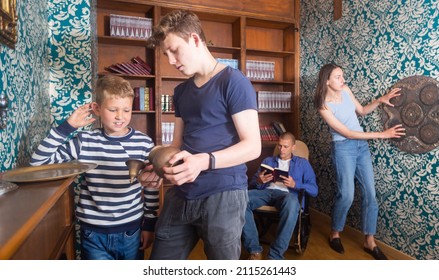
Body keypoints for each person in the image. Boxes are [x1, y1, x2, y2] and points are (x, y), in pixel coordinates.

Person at [142, 9, 261, 260]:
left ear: (195, 39)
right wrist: (158, 163)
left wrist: (203, 161)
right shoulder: (180, 91)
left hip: (224, 194)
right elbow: (176, 145)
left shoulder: (234, 81)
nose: (171, 60)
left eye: (174, 50)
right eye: (166, 54)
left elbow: (253, 147)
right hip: (181, 192)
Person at [30, 75, 161, 260]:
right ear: (97, 109)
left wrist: (149, 224)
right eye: (113, 109)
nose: (120, 117)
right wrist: (67, 127)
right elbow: (38, 163)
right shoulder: (84, 141)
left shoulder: (144, 143)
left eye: (126, 110)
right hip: (93, 233)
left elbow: (151, 186)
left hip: (131, 230)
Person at [313, 63, 406, 260]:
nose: (343, 80)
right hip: (343, 148)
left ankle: (369, 241)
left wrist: (380, 100)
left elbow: (362, 111)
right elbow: (346, 132)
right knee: (346, 195)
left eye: (342, 76)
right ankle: (335, 233)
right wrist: (382, 134)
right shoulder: (323, 105)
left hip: (361, 147)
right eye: (338, 77)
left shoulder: (346, 90)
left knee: (370, 194)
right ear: (327, 81)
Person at [242, 132, 318, 260]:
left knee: (292, 203)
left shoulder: (302, 163)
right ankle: (254, 250)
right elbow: (253, 182)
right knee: (241, 200)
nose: (281, 150)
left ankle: (275, 255)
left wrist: (295, 184)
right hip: (266, 192)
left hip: (287, 195)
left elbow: (314, 190)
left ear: (293, 147)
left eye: (285, 146)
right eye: (279, 146)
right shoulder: (268, 161)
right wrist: (259, 181)